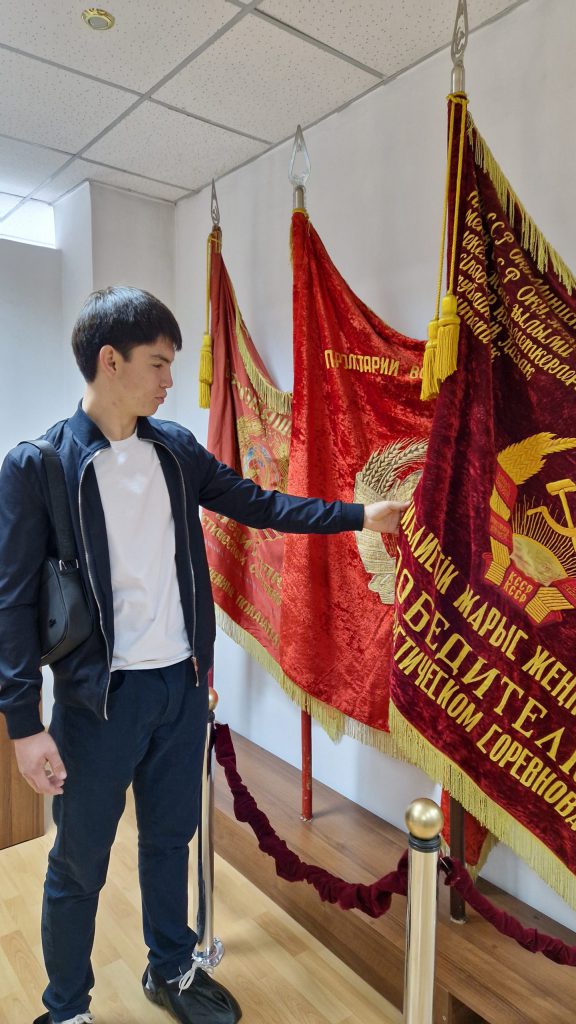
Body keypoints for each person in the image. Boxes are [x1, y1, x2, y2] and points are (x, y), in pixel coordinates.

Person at [0, 287, 408, 1024]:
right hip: (98, 704)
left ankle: (171, 971)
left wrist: (358, 515)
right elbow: (12, 603)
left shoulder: (175, 450)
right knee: (79, 862)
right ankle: (66, 1009)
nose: (169, 380)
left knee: (171, 841)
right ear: (110, 360)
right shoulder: (42, 466)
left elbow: (260, 504)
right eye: (158, 364)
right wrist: (24, 725)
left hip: (182, 690)